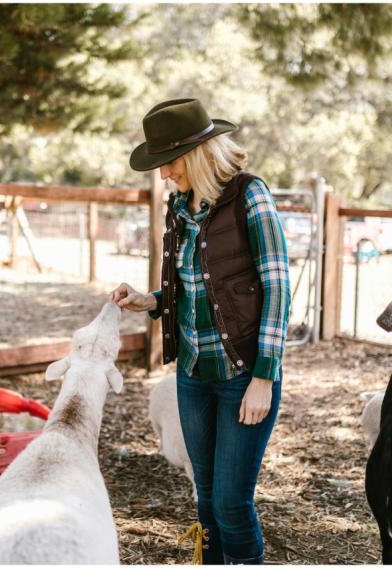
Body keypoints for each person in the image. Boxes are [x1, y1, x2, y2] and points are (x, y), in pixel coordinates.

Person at [110, 98, 291, 565]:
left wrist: (264, 378)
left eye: (167, 164)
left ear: (193, 155)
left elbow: (276, 289)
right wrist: (150, 301)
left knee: (232, 505)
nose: (164, 175)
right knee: (206, 501)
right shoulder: (179, 206)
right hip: (192, 373)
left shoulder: (251, 195)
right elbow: (192, 286)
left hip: (242, 377)